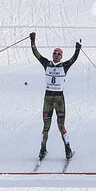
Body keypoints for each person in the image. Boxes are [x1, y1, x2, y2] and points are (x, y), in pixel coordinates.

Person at [29, 33, 81, 163]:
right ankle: (42, 149)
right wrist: (33, 40)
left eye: (58, 54)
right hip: (49, 99)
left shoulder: (64, 66)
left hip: (58, 99)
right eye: (55, 54)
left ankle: (67, 149)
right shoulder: (47, 63)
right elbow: (36, 54)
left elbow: (73, 59)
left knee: (61, 126)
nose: (56, 55)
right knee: (46, 126)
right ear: (53, 55)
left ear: (61, 56)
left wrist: (77, 49)